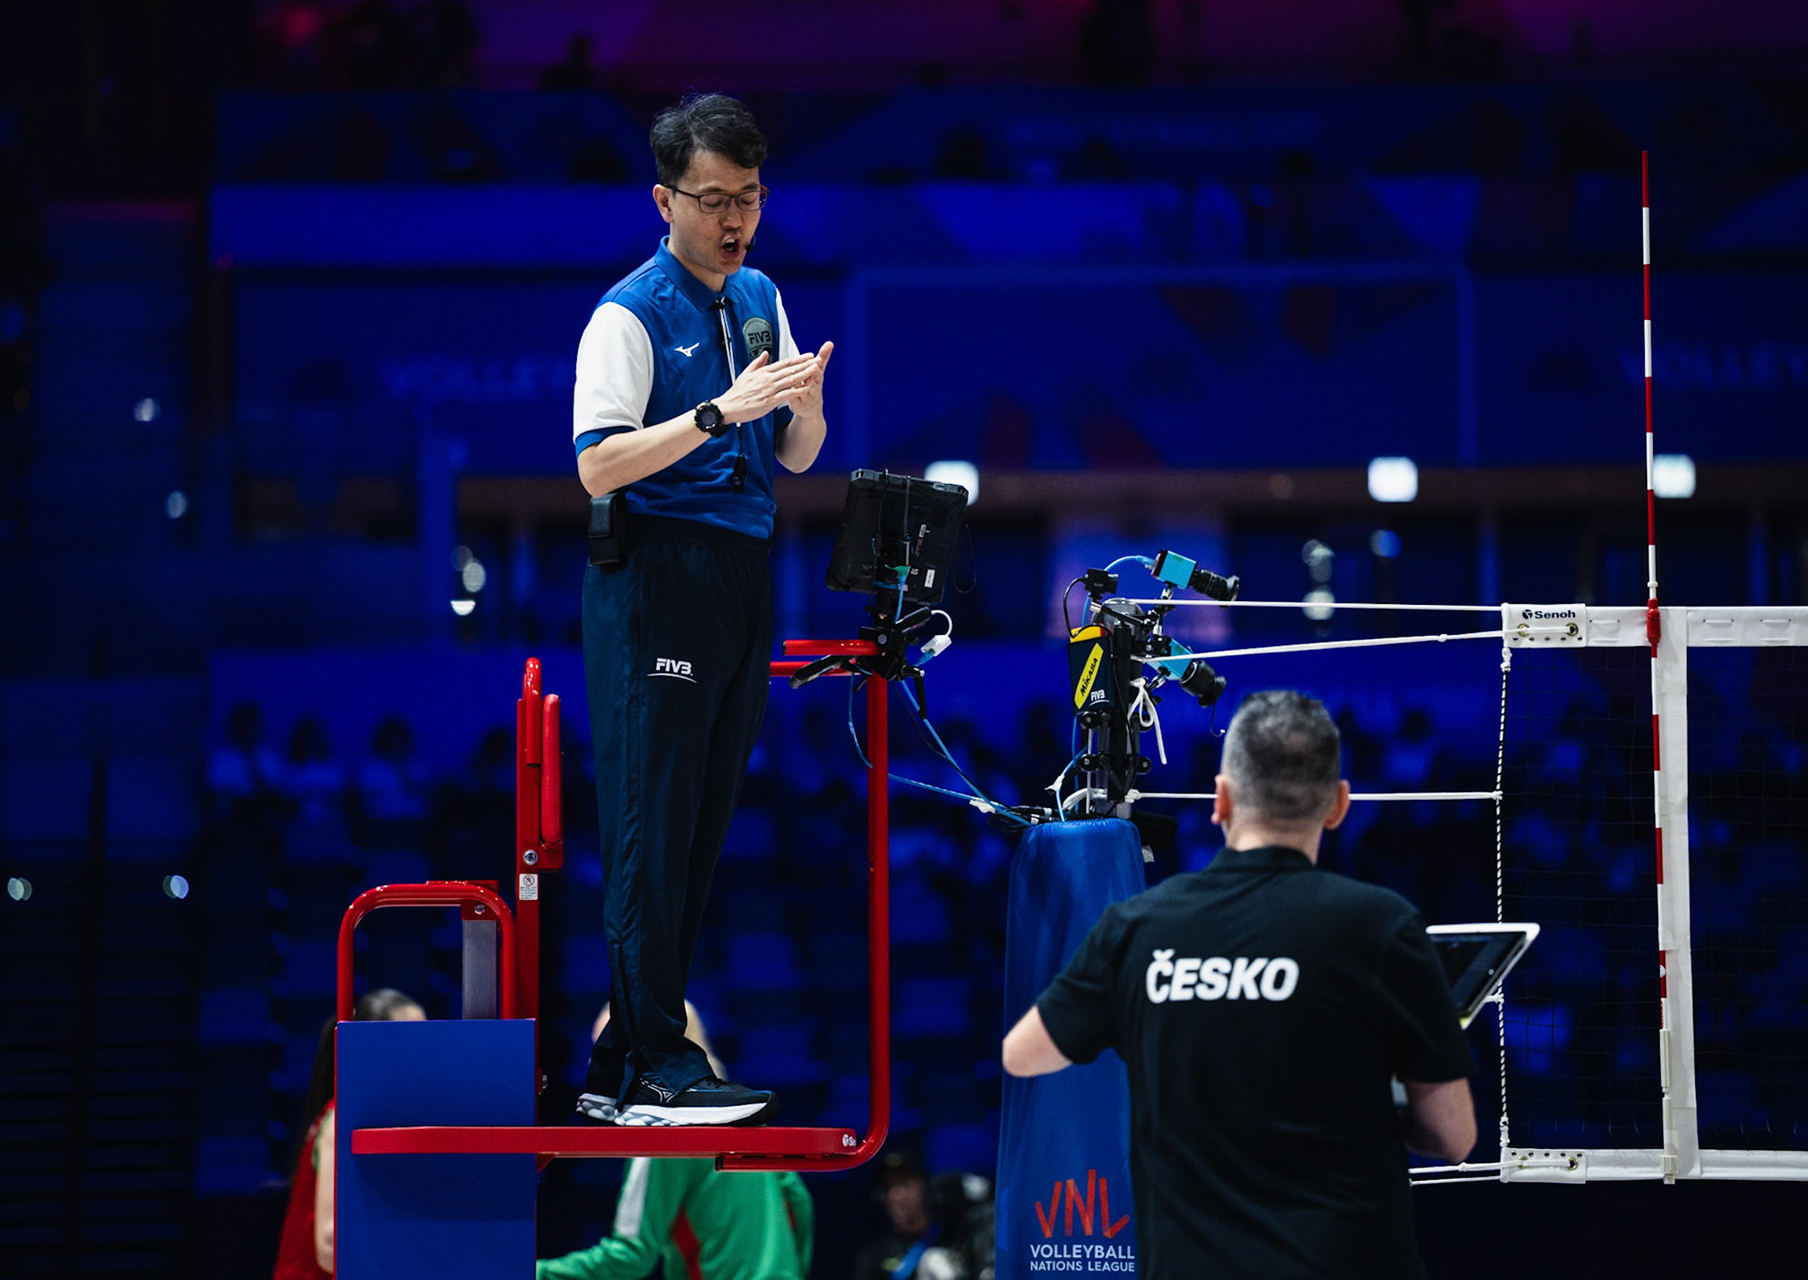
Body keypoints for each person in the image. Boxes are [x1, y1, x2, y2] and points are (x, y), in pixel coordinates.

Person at [1002, 690, 1476, 1280]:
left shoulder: (1139, 928)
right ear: (1338, 805)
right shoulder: (1381, 926)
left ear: (1221, 800)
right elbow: (1453, 1136)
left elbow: (1022, 1056)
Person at [572, 90, 831, 1128]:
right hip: (654, 575)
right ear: (664, 199)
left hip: (742, 572)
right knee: (652, 820)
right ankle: (647, 1060)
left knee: (702, 828)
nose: (735, 220)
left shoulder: (763, 294)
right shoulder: (627, 313)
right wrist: (719, 410)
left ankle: (629, 1056)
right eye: (715, 199)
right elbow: (597, 465)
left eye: (751, 198)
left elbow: (799, 455)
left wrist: (803, 408)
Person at [536, 1004, 814, 1279]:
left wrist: (534, 1272)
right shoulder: (750, 1117)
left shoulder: (661, 1136)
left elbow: (631, 1255)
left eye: (602, 1051)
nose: (590, 1066)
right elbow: (799, 1205)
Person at [271, 988, 426, 1280]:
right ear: (372, 1051)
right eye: (408, 1043)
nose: (421, 1055)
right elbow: (330, 1244)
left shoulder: (384, 1119)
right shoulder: (340, 1119)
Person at [851, 1150, 994, 1280]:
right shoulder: (873, 1256)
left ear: (924, 1186)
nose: (896, 1196)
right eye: (888, 1188)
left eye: (904, 1184)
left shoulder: (957, 1237)